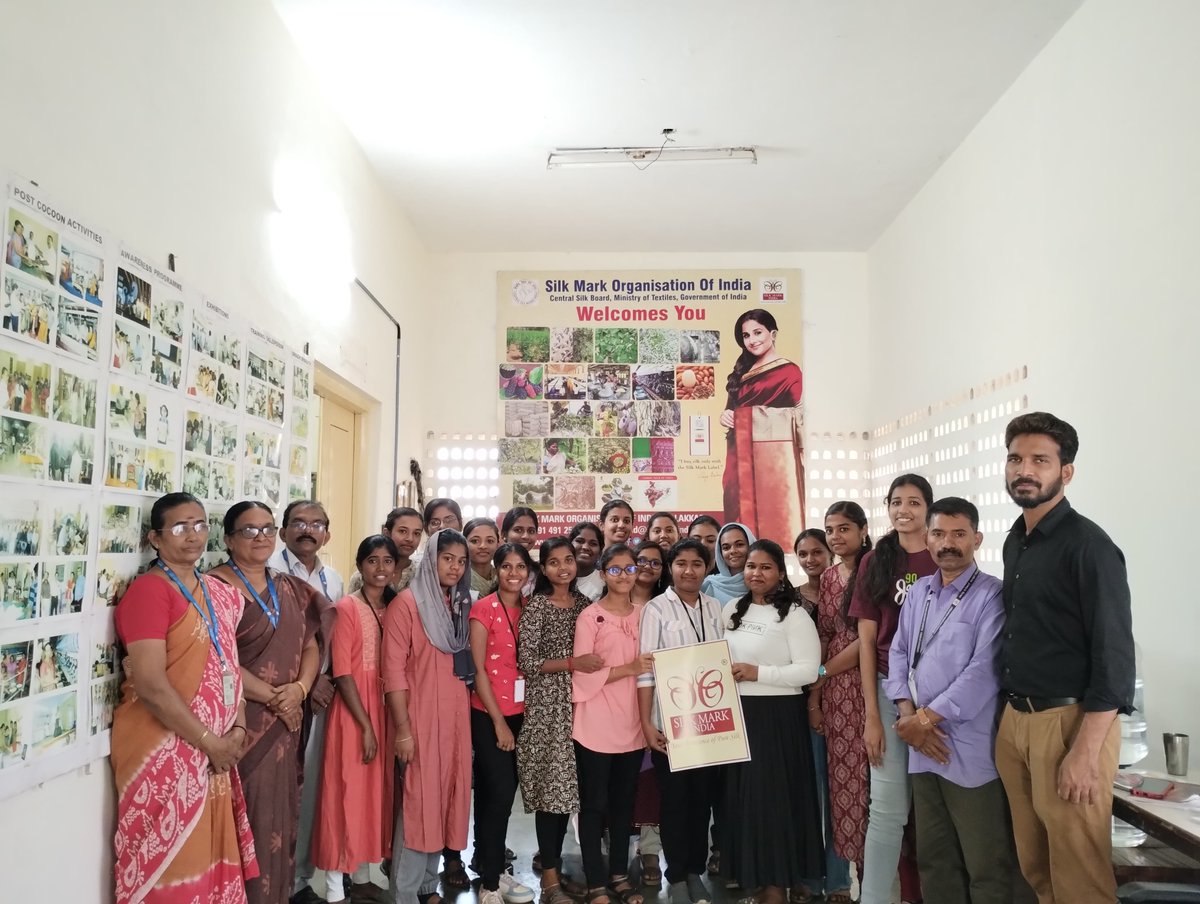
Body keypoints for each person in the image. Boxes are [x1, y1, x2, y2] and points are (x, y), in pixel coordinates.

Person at [994, 412, 1134, 903]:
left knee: (1081, 877)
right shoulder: (1017, 541)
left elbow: (1114, 659)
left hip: (1069, 723)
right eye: (1015, 458)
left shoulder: (1089, 547)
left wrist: (1085, 751)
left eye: (1039, 459)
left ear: (1065, 472)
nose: (1023, 469)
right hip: (1016, 722)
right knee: (1036, 869)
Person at [112, 492, 258, 903]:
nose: (192, 535)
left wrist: (238, 729)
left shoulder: (220, 592)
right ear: (155, 538)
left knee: (208, 859)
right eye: (179, 527)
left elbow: (229, 667)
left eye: (199, 525)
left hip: (216, 752)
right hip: (166, 753)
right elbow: (151, 684)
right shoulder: (149, 591)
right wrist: (211, 742)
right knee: (174, 870)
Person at [884, 497, 1012, 904]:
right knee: (934, 859)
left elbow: (984, 671)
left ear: (976, 538)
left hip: (970, 749)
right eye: (938, 534)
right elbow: (899, 653)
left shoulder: (993, 595)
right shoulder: (918, 592)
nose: (948, 543)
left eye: (959, 534)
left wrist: (924, 721)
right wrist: (908, 715)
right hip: (921, 746)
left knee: (985, 863)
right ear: (926, 538)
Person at [207, 502, 328, 904]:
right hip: (239, 722)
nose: (260, 537)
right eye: (249, 530)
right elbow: (215, 660)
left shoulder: (290, 587)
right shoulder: (213, 589)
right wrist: (275, 696)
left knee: (281, 816)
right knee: (245, 819)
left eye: (267, 529)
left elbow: (311, 644)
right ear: (227, 539)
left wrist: (300, 689)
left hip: (288, 720)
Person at [719, 539, 822, 904]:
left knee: (774, 804)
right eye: (750, 566)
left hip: (777, 721)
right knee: (744, 804)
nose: (756, 573)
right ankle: (756, 881)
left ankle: (778, 886)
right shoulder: (731, 609)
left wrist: (757, 672)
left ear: (780, 573)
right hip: (737, 719)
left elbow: (809, 670)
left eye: (765, 567)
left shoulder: (794, 615)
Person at [850, 474, 935, 904]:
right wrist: (872, 717)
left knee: (937, 811)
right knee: (887, 809)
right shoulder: (875, 561)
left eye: (914, 502)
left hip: (940, 698)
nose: (904, 510)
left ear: (928, 509)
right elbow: (867, 641)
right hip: (887, 691)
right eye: (896, 502)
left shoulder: (944, 556)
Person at [383, 530, 475, 904]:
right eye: (447, 558)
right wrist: (403, 730)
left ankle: (426, 884)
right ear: (431, 559)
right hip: (419, 719)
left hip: (455, 720)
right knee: (419, 802)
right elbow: (393, 671)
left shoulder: (461, 604)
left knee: (448, 796)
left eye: (461, 560)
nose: (455, 566)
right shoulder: (407, 604)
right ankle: (404, 893)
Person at [311, 535, 397, 904]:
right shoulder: (346, 607)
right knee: (344, 793)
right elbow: (344, 673)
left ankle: (363, 873)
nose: (380, 568)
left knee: (372, 795)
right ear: (360, 566)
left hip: (383, 710)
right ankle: (333, 886)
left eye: (387, 561)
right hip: (354, 714)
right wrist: (364, 725)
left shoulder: (393, 608)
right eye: (372, 561)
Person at [638, 539, 724, 904]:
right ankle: (675, 875)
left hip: (709, 723)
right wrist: (646, 722)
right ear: (670, 568)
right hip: (670, 724)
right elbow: (645, 672)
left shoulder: (716, 607)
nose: (689, 571)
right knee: (674, 801)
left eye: (697, 564)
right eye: (681, 564)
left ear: (707, 569)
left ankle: (694, 871)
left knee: (701, 801)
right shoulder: (656, 610)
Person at [573, 544, 655, 904]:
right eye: (616, 569)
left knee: (625, 805)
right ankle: (595, 882)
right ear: (603, 574)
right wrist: (628, 669)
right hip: (594, 726)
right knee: (594, 805)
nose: (624, 576)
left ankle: (620, 874)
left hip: (633, 725)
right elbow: (581, 674)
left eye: (630, 568)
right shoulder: (589, 617)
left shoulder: (647, 615)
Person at [516, 537, 596, 904]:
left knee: (570, 796)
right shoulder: (537, 607)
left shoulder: (584, 605)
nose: (563, 567)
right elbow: (527, 663)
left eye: (568, 560)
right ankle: (549, 884)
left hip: (583, 708)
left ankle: (557, 871)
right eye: (554, 562)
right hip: (548, 713)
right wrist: (571, 664)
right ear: (543, 568)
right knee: (552, 795)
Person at [470, 544, 538, 904]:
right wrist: (498, 722)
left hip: (522, 712)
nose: (514, 573)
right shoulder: (483, 609)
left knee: (499, 796)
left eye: (521, 567)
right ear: (496, 570)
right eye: (507, 566)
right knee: (496, 793)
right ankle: (490, 884)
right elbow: (478, 669)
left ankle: (493, 868)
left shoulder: (530, 609)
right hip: (488, 713)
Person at [810, 502, 871, 889]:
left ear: (864, 530)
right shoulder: (830, 577)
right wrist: (816, 696)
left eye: (844, 528)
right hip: (835, 694)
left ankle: (883, 882)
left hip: (870, 683)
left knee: (876, 786)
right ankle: (848, 879)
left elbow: (866, 640)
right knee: (842, 783)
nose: (836, 537)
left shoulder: (877, 569)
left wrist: (820, 675)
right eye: (830, 529)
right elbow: (826, 636)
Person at [791, 528, 850, 903]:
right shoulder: (791, 600)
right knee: (810, 795)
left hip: (847, 699)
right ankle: (810, 878)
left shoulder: (849, 593)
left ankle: (840, 880)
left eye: (818, 551)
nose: (811, 559)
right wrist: (813, 698)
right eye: (803, 553)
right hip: (801, 705)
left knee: (842, 793)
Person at [718, 310, 803, 536]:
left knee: (767, 512)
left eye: (758, 332)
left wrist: (750, 416)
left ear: (772, 334)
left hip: (770, 456)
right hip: (737, 451)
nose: (752, 340)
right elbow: (732, 408)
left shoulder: (789, 371)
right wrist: (725, 415)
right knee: (734, 501)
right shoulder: (742, 372)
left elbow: (798, 415)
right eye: (746, 336)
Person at [349, 507, 422, 594]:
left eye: (416, 533)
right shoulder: (362, 577)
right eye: (403, 531)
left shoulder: (422, 576)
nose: (410, 539)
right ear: (386, 533)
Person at [700, 523, 756, 604]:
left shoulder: (759, 582)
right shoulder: (709, 584)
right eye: (726, 547)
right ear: (720, 552)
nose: (733, 551)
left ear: (750, 545)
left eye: (739, 545)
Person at [465, 517, 502, 596]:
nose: (483, 546)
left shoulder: (503, 578)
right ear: (464, 544)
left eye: (490, 541)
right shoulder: (457, 578)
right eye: (475, 541)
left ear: (497, 545)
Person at [570, 521, 605, 602]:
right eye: (580, 541)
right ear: (569, 544)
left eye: (593, 544)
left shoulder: (604, 582)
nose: (585, 547)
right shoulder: (558, 578)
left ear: (600, 550)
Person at [631, 539, 667, 605]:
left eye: (655, 563)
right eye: (641, 560)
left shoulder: (667, 602)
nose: (647, 566)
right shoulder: (615, 595)